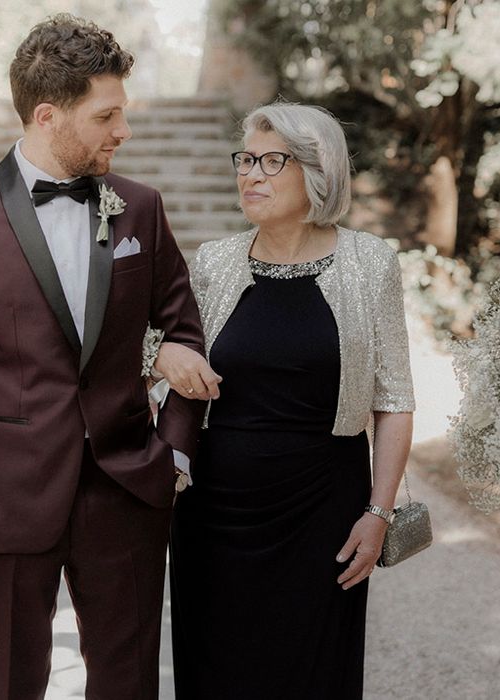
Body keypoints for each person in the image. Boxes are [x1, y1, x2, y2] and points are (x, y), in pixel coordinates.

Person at [0, 14, 214, 699]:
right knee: (12, 683)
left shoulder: (140, 208)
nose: (122, 131)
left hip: (128, 492)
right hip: (6, 501)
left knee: (128, 683)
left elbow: (185, 334)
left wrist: (176, 457)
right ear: (48, 116)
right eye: (107, 116)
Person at [155, 102, 415, 700]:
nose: (251, 174)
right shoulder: (215, 262)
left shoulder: (371, 263)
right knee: (214, 672)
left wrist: (378, 514)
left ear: (318, 170)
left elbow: (394, 400)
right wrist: (161, 358)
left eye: (273, 161)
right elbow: (170, 361)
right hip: (213, 514)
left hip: (324, 511)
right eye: (245, 159)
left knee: (313, 674)